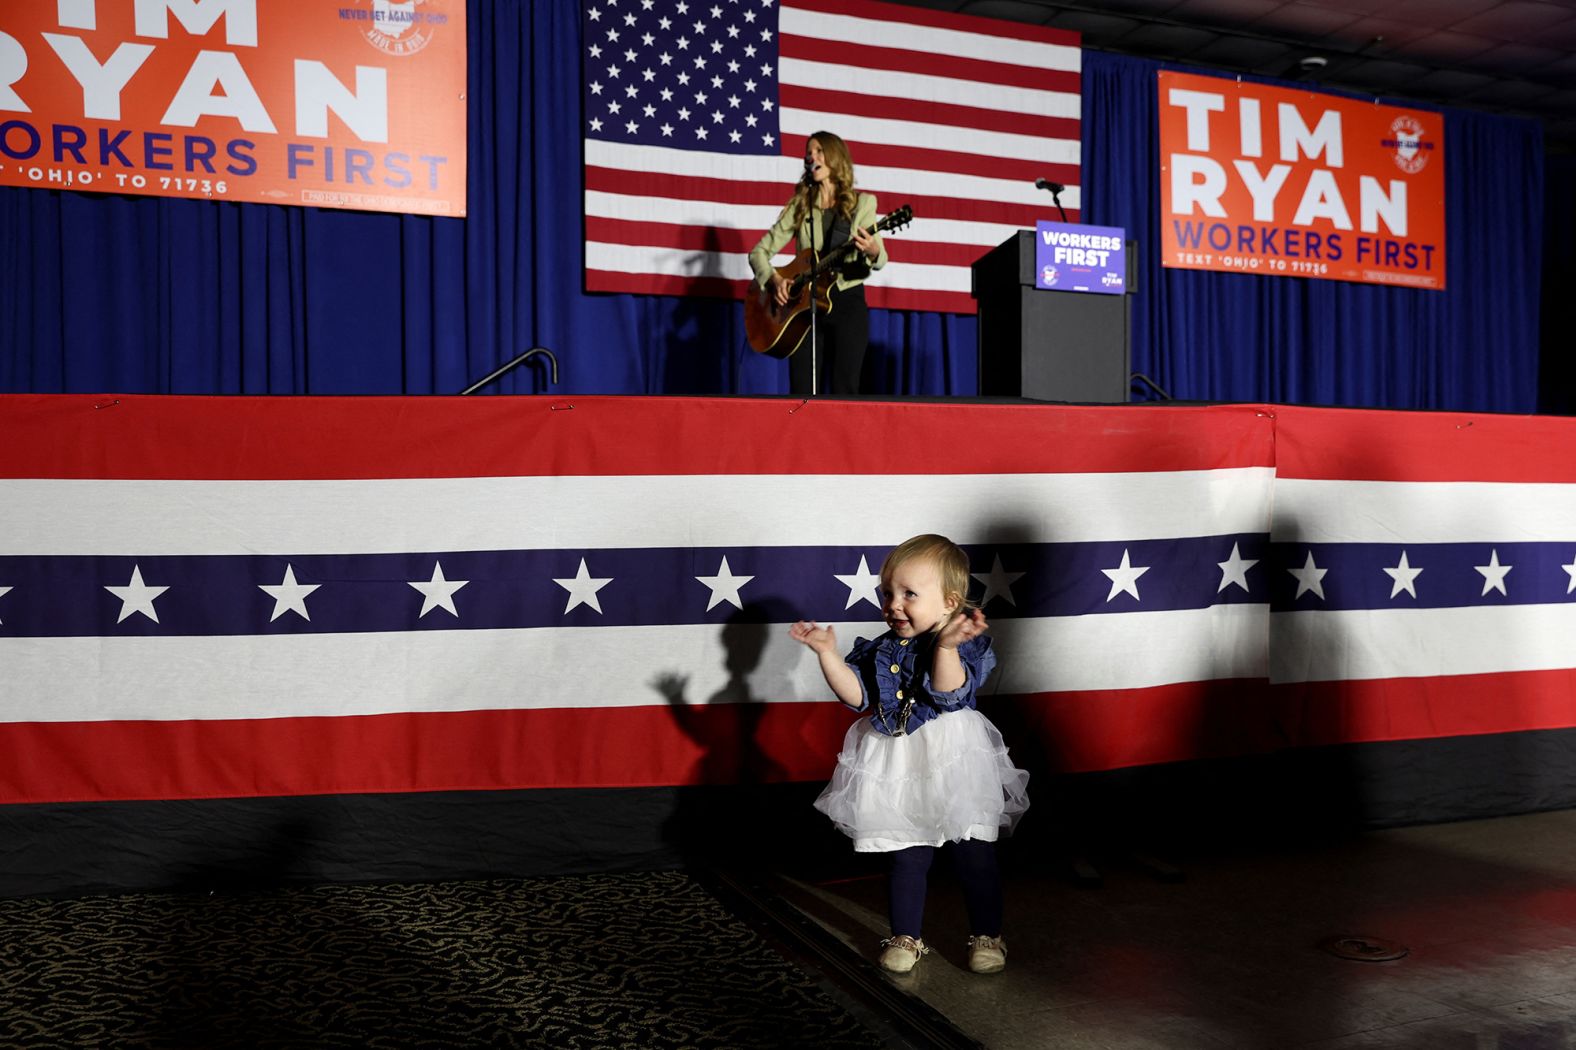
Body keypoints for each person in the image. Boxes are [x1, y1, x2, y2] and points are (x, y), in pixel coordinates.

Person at [789, 534, 1030, 975]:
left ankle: (986, 934)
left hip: (953, 755)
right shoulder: (880, 647)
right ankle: (906, 935)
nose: (894, 604)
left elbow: (950, 693)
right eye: (888, 593)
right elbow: (857, 696)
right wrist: (827, 655)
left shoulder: (962, 643)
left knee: (973, 851)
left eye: (909, 595)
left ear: (948, 603)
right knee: (906, 851)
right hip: (899, 760)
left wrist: (946, 646)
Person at [748, 131, 887, 396]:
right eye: (808, 153)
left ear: (835, 157)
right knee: (802, 393)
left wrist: (872, 250)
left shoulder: (862, 203)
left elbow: (880, 259)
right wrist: (775, 279)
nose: (812, 156)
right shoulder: (801, 206)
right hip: (805, 308)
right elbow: (758, 252)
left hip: (847, 302)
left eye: (819, 151)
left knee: (845, 389)